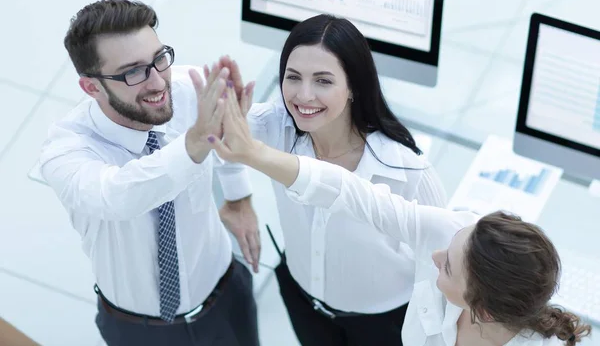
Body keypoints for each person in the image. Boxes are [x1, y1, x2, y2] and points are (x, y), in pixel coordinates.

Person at [207, 86, 593, 346]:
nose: (435, 256)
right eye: (453, 246)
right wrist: (256, 155)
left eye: (447, 269)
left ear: (483, 310)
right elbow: (353, 195)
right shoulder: (449, 231)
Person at [212, 13, 447, 345]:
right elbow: (221, 137)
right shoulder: (277, 126)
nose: (304, 96)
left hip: (385, 322)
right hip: (304, 301)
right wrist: (237, 197)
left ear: (353, 87)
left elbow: (443, 256)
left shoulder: (405, 168)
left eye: (323, 81)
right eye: (293, 77)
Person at [38, 0, 260, 346]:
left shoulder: (187, 89)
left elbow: (230, 127)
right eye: (133, 72)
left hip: (226, 296)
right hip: (139, 330)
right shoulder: (66, 151)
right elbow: (118, 197)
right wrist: (193, 145)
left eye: (159, 58)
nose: (157, 82)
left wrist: (238, 195)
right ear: (91, 87)